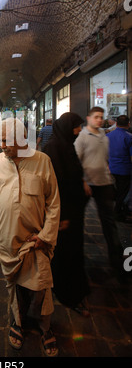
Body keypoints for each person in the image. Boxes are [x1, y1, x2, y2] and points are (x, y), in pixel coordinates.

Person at [0, 118, 60, 356]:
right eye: (0, 139)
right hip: (7, 238)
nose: (1, 144)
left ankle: (45, 327)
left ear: (21, 139)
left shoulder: (42, 161)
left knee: (41, 286)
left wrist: (46, 235)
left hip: (35, 240)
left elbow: (54, 202)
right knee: (14, 285)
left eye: (6, 140)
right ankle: (18, 322)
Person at [43, 112, 90, 316]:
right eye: (76, 127)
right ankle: (67, 292)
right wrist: (61, 216)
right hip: (64, 213)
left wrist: (82, 183)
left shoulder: (66, 144)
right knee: (65, 253)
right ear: (66, 127)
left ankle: (71, 288)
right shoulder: (54, 148)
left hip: (73, 211)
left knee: (72, 251)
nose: (79, 130)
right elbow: (56, 185)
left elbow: (72, 174)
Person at [74, 107, 124, 277]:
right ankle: (78, 261)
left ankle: (118, 264)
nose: (99, 120)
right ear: (88, 118)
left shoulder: (104, 135)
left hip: (104, 184)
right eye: (96, 117)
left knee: (109, 224)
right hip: (88, 184)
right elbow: (76, 162)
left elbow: (105, 158)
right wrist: (82, 181)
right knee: (78, 221)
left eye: (101, 117)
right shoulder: (82, 138)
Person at [107, 115, 132, 223]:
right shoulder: (129, 137)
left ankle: (115, 210)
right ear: (128, 124)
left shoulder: (108, 135)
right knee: (123, 192)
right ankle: (118, 212)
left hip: (111, 167)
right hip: (124, 168)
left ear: (116, 124)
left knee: (116, 190)